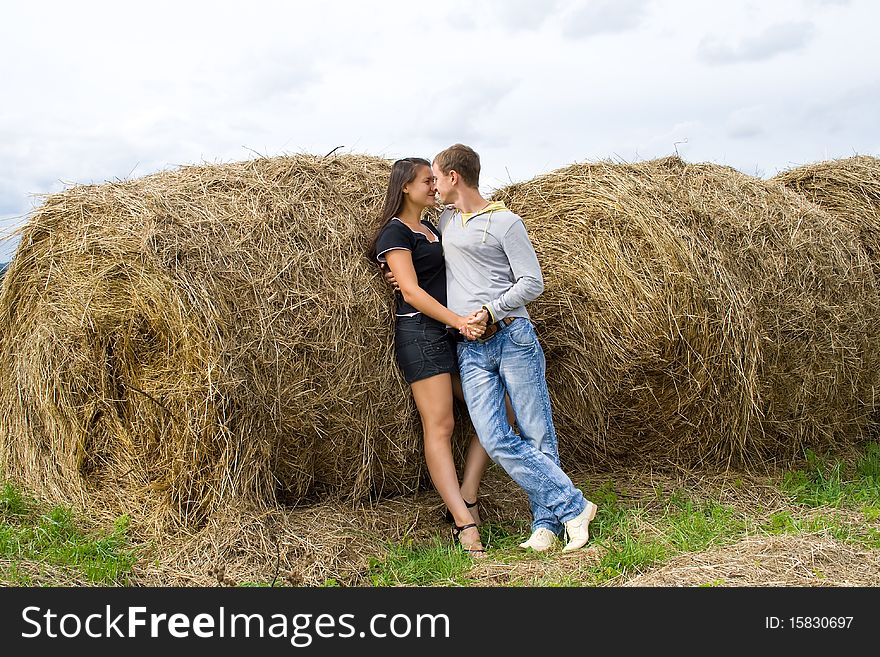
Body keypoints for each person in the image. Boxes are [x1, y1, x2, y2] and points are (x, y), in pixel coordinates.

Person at [430, 143, 598, 552]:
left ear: (455, 177)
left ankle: (546, 524)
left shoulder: (507, 223)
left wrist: (490, 309)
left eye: (436, 177)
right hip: (470, 348)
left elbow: (532, 282)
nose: (433, 186)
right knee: (492, 433)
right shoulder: (447, 219)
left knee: (536, 430)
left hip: (512, 336)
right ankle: (573, 505)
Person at [366, 157, 496, 557]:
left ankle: (468, 494)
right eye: (427, 180)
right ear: (405, 186)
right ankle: (463, 521)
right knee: (441, 425)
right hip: (421, 335)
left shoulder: (435, 228)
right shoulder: (395, 233)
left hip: (452, 334)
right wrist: (458, 321)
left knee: (498, 411)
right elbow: (410, 291)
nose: (434, 186)